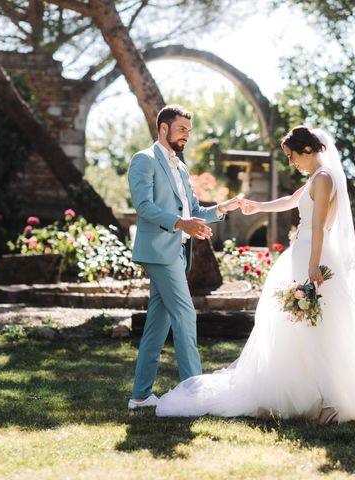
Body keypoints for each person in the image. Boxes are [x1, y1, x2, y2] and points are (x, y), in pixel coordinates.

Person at [156, 126, 355, 423]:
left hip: (312, 254)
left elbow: (318, 226)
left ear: (307, 150)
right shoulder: (315, 179)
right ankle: (310, 395)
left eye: (292, 156)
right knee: (300, 325)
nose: (291, 162)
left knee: (321, 327)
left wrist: (313, 265)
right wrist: (257, 207)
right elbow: (290, 201)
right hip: (303, 251)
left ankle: (331, 401)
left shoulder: (325, 178)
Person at [127, 104, 241, 409]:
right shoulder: (144, 160)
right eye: (181, 129)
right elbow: (144, 207)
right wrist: (180, 224)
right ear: (163, 128)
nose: (186, 136)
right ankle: (196, 395)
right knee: (185, 313)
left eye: (189, 131)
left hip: (176, 252)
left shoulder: (181, 167)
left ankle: (140, 395)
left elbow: (194, 212)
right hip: (158, 251)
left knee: (157, 324)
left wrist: (223, 208)